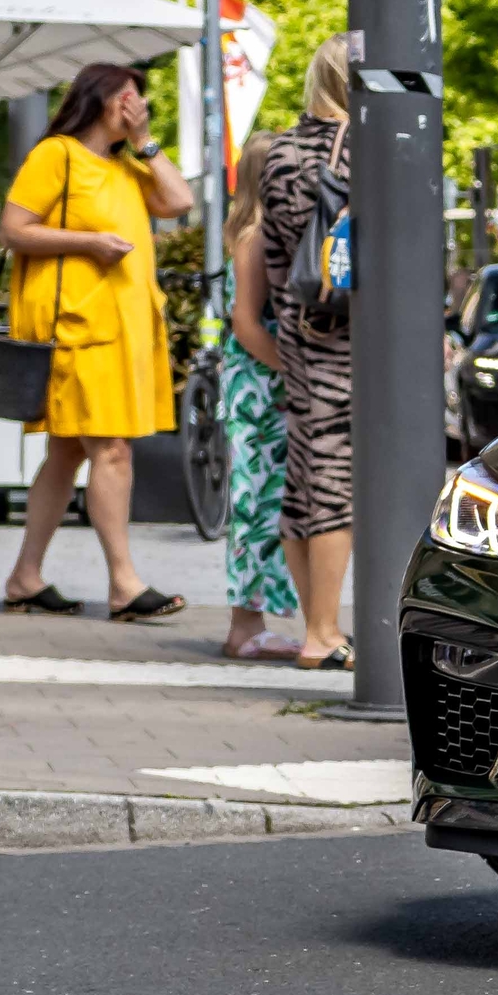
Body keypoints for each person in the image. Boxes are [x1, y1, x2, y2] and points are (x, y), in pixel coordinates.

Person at [0, 62, 193, 622]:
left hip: (118, 331)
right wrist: (86, 243)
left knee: (64, 454)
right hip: (75, 330)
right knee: (111, 450)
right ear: (101, 98)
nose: (138, 104)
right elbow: (13, 229)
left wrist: (146, 141)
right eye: (129, 96)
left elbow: (179, 202)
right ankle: (124, 586)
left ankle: (24, 578)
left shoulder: (128, 166)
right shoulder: (56, 155)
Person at [258, 35, 357, 671]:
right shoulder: (372, 149)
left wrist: (294, 322)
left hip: (302, 327)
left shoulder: (277, 152)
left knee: (305, 484)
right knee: (335, 483)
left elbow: (274, 259)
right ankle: (322, 632)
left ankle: (315, 624)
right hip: (351, 337)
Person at [217, 130, 300, 660]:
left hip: (255, 383)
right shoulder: (255, 235)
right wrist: (293, 372)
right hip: (261, 386)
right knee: (257, 503)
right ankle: (245, 626)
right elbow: (247, 325)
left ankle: (252, 623)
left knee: (264, 500)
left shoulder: (250, 231)